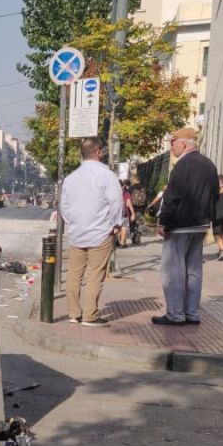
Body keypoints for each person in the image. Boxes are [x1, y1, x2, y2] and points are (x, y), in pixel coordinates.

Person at [153, 128, 218, 326]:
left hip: (180, 224)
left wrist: (163, 221)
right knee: (194, 269)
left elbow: (172, 197)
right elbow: (215, 195)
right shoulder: (209, 165)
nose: (171, 145)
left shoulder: (182, 166)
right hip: (200, 225)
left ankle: (175, 314)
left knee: (173, 270)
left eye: (172, 141)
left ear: (183, 143)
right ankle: (192, 312)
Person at [60, 136, 124, 327]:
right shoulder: (106, 176)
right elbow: (116, 202)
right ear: (99, 152)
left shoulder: (70, 178)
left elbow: (64, 206)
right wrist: (116, 224)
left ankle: (73, 313)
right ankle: (90, 315)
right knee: (96, 274)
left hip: (77, 233)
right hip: (100, 232)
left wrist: (73, 223)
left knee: (74, 274)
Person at [118, 180, 136, 247]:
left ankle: (119, 241)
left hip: (116, 213)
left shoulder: (114, 193)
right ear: (123, 186)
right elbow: (129, 204)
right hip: (124, 213)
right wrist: (133, 213)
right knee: (124, 227)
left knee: (118, 227)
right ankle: (122, 243)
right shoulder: (126, 193)